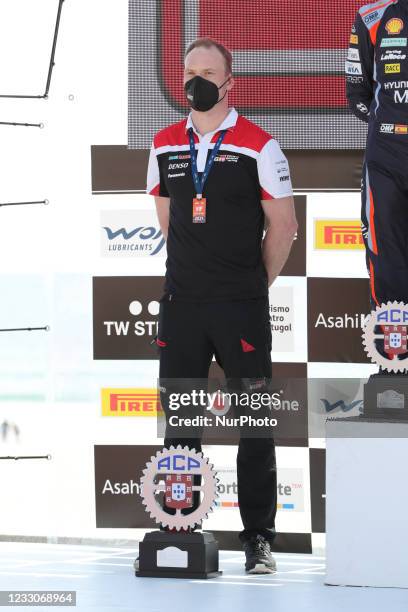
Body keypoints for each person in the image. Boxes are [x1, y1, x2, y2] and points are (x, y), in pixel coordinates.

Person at [145, 37, 297, 574]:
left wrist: (253, 284)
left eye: (208, 71)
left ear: (230, 81)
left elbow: (284, 228)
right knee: (179, 423)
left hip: (241, 305)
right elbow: (168, 222)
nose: (196, 81)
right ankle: (178, 529)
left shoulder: (261, 145)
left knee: (255, 424)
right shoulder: (164, 143)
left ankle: (258, 538)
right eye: (189, 71)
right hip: (183, 302)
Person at [346, 0, 408, 310]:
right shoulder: (372, 16)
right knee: (385, 257)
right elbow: (356, 94)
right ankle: (394, 353)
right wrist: (387, 124)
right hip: (387, 157)